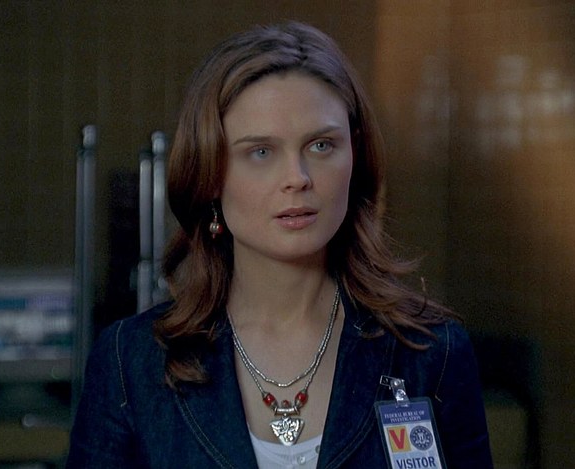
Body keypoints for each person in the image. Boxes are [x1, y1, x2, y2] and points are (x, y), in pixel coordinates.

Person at [67, 21, 492, 469]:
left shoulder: (431, 353)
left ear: (355, 156)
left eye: (321, 145)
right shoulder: (131, 363)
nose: (297, 178)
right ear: (210, 173)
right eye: (261, 152)